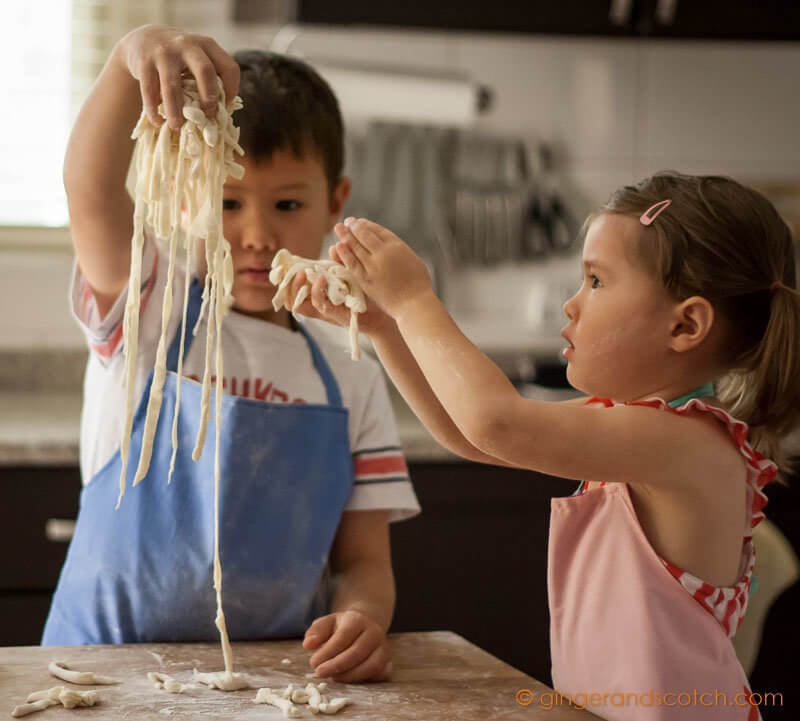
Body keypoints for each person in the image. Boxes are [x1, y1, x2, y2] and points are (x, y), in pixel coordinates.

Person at [292, 170, 800, 718]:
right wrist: (384, 327)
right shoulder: (640, 425)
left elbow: (496, 423)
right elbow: (472, 438)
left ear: (685, 326)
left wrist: (414, 299)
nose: (571, 305)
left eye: (596, 281)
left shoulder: (684, 442)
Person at [43, 25, 419, 684]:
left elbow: (363, 560)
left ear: (335, 203)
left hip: (272, 684)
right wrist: (127, 63)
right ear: (184, 195)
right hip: (98, 674)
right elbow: (90, 190)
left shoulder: (352, 371)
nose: (255, 234)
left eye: (287, 203)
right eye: (226, 201)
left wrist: (363, 616)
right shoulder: (149, 310)